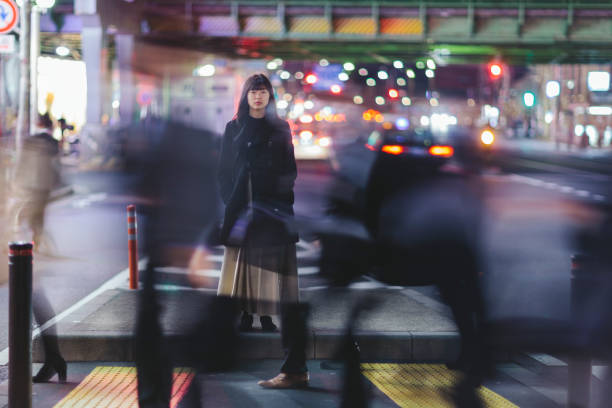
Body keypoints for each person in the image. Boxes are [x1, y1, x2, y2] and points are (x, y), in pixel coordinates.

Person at [216, 73, 307, 388]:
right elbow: (224, 170)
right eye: (253, 91)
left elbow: (289, 168)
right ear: (245, 96)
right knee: (238, 270)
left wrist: (280, 198)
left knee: (281, 279)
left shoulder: (280, 128)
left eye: (263, 91)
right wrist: (232, 200)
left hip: (274, 212)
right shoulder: (234, 127)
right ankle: (241, 320)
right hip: (242, 209)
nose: (258, 96)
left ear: (270, 96)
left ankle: (274, 330)